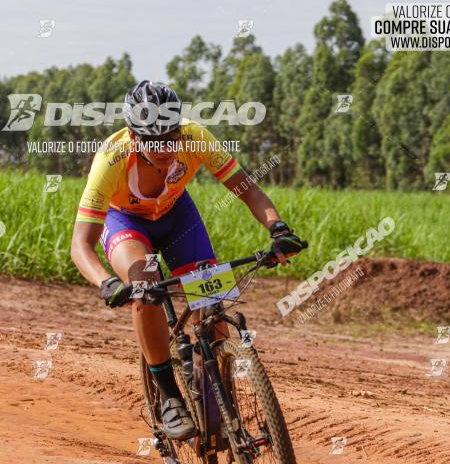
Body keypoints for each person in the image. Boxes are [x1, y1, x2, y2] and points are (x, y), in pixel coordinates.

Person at [70, 80, 303, 439]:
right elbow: (80, 245)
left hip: (177, 216)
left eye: (171, 136)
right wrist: (107, 283)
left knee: (212, 299)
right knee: (145, 285)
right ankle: (170, 398)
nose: (165, 148)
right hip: (126, 222)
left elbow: (249, 189)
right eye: (153, 140)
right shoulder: (110, 158)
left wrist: (277, 229)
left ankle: (215, 387)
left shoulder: (196, 138)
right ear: (134, 138)